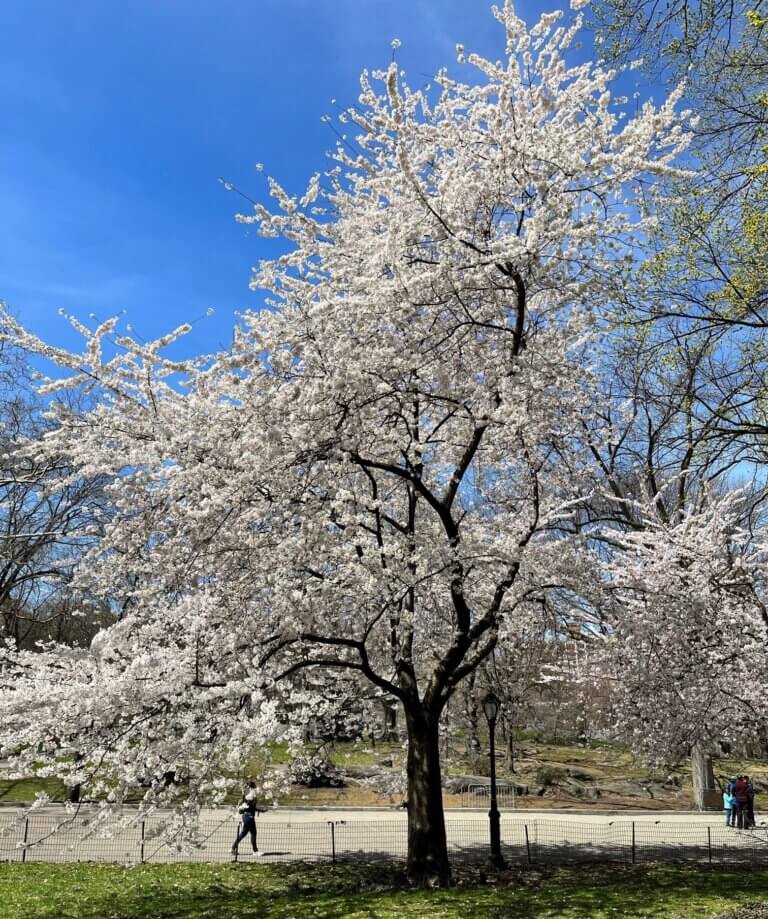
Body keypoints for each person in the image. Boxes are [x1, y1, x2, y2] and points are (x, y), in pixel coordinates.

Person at [231, 781, 266, 856]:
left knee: (243, 833)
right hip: (249, 817)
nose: (255, 788)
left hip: (247, 816)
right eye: (254, 787)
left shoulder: (248, 795)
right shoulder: (251, 795)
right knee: (253, 833)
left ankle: (233, 848)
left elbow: (250, 807)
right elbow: (250, 806)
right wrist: (260, 810)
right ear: (252, 787)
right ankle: (255, 851)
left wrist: (261, 810)